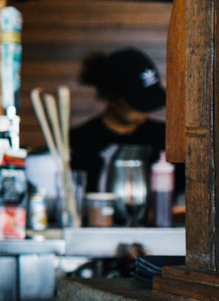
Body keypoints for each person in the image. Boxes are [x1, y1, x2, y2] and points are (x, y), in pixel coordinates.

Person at [70, 47, 178, 193]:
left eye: (150, 101)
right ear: (112, 96)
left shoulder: (166, 138)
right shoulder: (79, 142)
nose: (144, 110)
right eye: (138, 102)